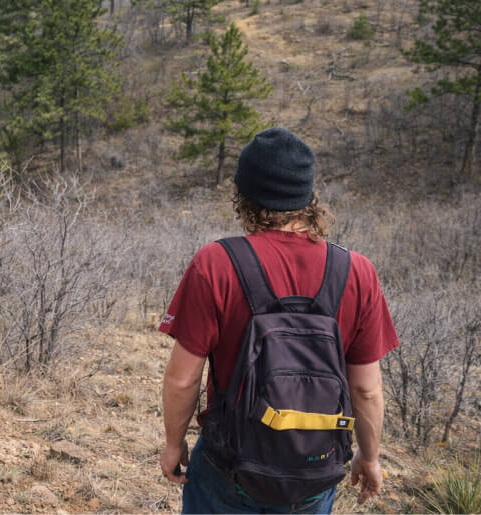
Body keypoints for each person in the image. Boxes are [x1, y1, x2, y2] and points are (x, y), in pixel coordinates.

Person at [159, 127, 399, 514]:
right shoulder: (356, 272)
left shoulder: (217, 263)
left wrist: (174, 444)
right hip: (313, 468)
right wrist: (369, 457)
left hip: (229, 465)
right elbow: (367, 390)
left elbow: (183, 378)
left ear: (243, 195)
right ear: (308, 196)